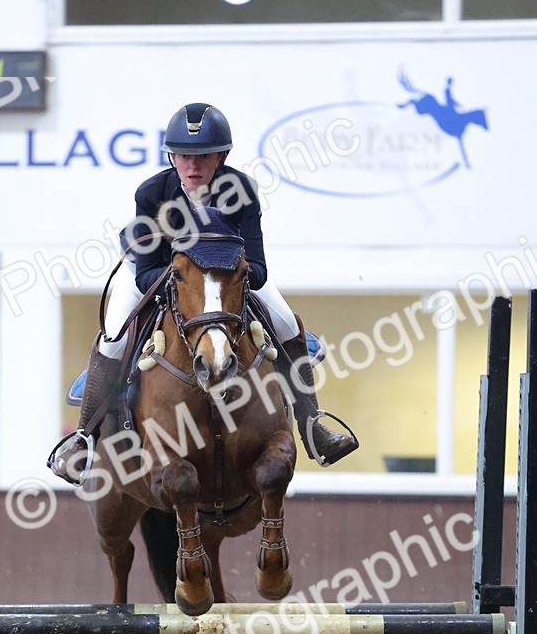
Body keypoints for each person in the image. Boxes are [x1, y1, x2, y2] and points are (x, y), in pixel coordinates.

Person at [49, 101, 357, 483]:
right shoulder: (151, 193)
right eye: (182, 156)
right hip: (157, 275)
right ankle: (83, 440)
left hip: (227, 278)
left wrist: (227, 277)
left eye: (203, 156)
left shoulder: (241, 190)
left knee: (287, 323)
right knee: (112, 338)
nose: (192, 166)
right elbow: (145, 271)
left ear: (222, 156)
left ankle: (313, 424)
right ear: (172, 158)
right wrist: (183, 281)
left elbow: (258, 269)